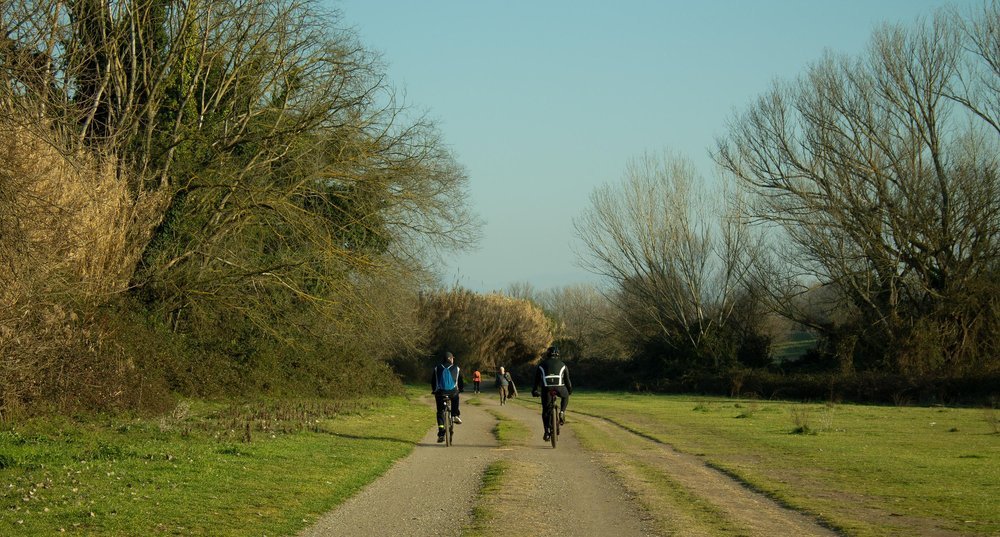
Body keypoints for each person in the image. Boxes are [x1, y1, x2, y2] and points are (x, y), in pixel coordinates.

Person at [531, 346, 572, 442]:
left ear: (547, 354)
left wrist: (534, 391)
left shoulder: (541, 365)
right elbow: (567, 381)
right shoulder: (563, 365)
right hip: (560, 387)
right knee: (565, 396)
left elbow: (536, 381)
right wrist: (569, 391)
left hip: (547, 389)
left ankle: (546, 432)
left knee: (545, 410)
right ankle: (562, 412)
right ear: (558, 354)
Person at [431, 351, 465, 443]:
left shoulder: (437, 368)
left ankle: (441, 432)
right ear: (450, 359)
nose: (453, 359)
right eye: (452, 358)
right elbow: (460, 381)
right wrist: (461, 389)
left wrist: (434, 390)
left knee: (440, 411)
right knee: (456, 397)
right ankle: (455, 415)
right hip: (452, 392)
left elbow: (433, 381)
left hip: (440, 393)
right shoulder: (456, 368)